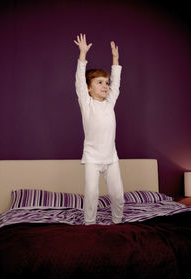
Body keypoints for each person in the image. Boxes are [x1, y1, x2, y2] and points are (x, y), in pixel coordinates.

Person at [74, 33, 124, 225]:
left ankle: (117, 222)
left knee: (118, 195)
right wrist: (82, 55)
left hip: (111, 157)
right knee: (92, 194)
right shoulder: (86, 103)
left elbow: (117, 84)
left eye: (106, 82)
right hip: (93, 158)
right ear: (89, 88)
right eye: (100, 82)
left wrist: (115, 60)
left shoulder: (109, 103)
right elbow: (79, 80)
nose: (105, 86)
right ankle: (90, 224)